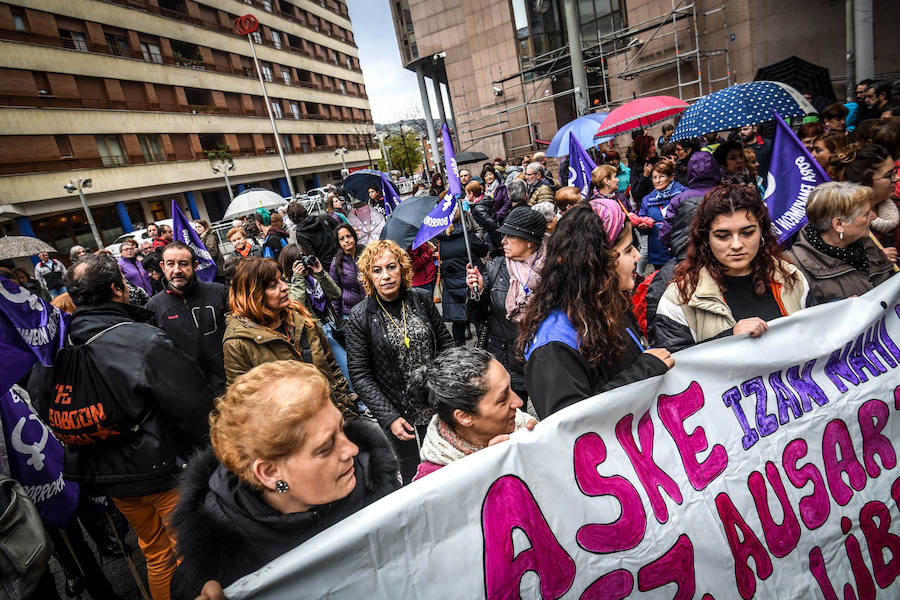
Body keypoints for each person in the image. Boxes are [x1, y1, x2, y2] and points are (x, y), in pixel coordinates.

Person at [27, 252, 214, 600]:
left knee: (156, 553)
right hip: (165, 470)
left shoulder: (55, 349)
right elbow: (195, 407)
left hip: (109, 478)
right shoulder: (142, 340)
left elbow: (41, 402)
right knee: (192, 552)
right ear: (118, 288)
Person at [169, 360, 399, 599]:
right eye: (325, 448)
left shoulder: (373, 479)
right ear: (269, 473)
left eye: (341, 428)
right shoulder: (215, 568)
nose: (351, 449)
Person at [519, 203, 674, 418]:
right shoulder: (553, 345)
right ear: (594, 262)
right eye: (628, 249)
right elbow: (569, 425)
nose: (638, 256)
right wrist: (646, 371)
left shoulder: (605, 304)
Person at [653, 184, 810, 352]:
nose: (736, 245)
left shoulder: (791, 278)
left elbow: (815, 339)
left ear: (762, 233)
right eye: (723, 236)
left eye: (747, 233)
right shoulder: (680, 296)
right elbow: (672, 364)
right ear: (706, 238)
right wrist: (729, 338)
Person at [345, 240, 453, 483]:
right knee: (413, 474)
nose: (386, 276)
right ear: (368, 277)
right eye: (377, 270)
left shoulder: (421, 299)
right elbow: (360, 374)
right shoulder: (361, 316)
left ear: (402, 269)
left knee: (446, 465)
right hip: (397, 413)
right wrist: (388, 417)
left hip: (436, 403)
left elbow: (445, 343)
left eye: (391, 267)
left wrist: (447, 388)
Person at [222, 257, 357, 417]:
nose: (285, 287)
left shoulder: (300, 317)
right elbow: (245, 407)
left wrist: (348, 409)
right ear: (253, 293)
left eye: (282, 280)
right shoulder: (238, 343)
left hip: (335, 416)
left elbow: (332, 367)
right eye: (273, 285)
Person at [407, 347, 537, 480]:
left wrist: (540, 446)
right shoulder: (433, 482)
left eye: (511, 387)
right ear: (464, 417)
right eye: (503, 399)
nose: (519, 402)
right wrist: (494, 472)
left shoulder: (523, 426)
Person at [465, 206, 545, 404]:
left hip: (545, 360)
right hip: (507, 361)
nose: (503, 241)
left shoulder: (554, 269)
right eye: (503, 235)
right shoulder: (495, 267)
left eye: (510, 236)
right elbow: (476, 316)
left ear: (529, 241)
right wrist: (477, 291)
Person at [786, 182, 893, 304]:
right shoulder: (796, 269)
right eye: (866, 214)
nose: (874, 217)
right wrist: (837, 311)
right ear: (839, 225)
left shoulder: (865, 244)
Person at [147, 242, 228, 395]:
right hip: (189, 394)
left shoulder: (218, 292)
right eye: (170, 264)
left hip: (230, 385)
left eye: (183, 264)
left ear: (195, 265)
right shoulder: (154, 307)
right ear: (163, 267)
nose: (177, 270)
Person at [831, 143, 899, 259]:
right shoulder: (842, 225)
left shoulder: (898, 205)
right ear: (863, 184)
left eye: (894, 172)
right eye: (889, 175)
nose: (897, 178)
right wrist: (876, 260)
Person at [436, 207, 486, 346]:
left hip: (452, 283)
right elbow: (483, 250)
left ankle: (459, 350)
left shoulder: (442, 240)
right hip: (470, 280)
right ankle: (482, 348)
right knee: (478, 317)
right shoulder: (467, 236)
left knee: (458, 321)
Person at [639, 159, 684, 269]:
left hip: (681, 249)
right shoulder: (648, 200)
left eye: (661, 176)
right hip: (658, 252)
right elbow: (641, 223)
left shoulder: (683, 194)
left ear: (671, 176)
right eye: (654, 177)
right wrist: (643, 226)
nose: (657, 181)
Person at [329, 223, 367, 317]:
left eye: (348, 236)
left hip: (370, 307)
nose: (346, 241)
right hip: (350, 312)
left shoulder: (366, 254)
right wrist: (338, 317)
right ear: (338, 243)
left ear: (354, 237)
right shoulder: (336, 263)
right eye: (342, 239)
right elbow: (335, 292)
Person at [289, 203, 338, 269]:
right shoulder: (323, 218)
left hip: (326, 265)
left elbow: (310, 254)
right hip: (339, 256)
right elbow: (340, 228)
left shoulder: (300, 233)